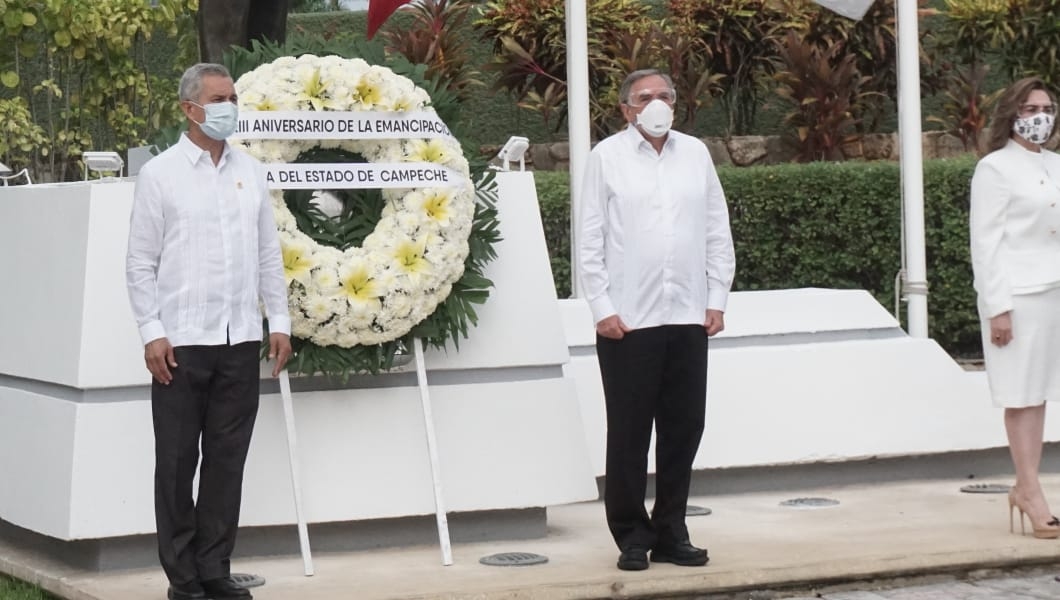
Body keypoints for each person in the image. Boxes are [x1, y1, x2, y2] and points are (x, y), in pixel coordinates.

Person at [126, 63, 292, 600]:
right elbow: (139, 262)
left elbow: (269, 252)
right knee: (177, 461)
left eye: (233, 96)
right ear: (189, 108)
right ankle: (182, 578)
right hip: (180, 343)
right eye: (220, 98)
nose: (230, 107)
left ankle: (215, 568)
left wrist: (279, 322)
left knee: (228, 459)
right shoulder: (161, 174)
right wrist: (152, 332)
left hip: (239, 338)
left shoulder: (250, 171)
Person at [577, 69, 736, 571]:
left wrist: (717, 297)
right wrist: (601, 308)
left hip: (688, 315)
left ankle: (672, 529)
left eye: (665, 95)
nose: (657, 104)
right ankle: (631, 534)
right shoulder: (607, 157)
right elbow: (589, 240)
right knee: (629, 432)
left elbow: (716, 228)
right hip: (629, 320)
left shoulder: (695, 154)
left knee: (684, 427)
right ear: (626, 109)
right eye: (645, 97)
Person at [970, 76, 1060, 540]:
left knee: (1039, 394)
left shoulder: (1056, 165)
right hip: (1016, 297)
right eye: (1029, 108)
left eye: (1046, 107)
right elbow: (985, 244)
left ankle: (1027, 487)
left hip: (1053, 295)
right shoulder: (995, 169)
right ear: (1013, 114)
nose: (1039, 116)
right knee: (1019, 394)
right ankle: (1029, 491)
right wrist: (997, 308)